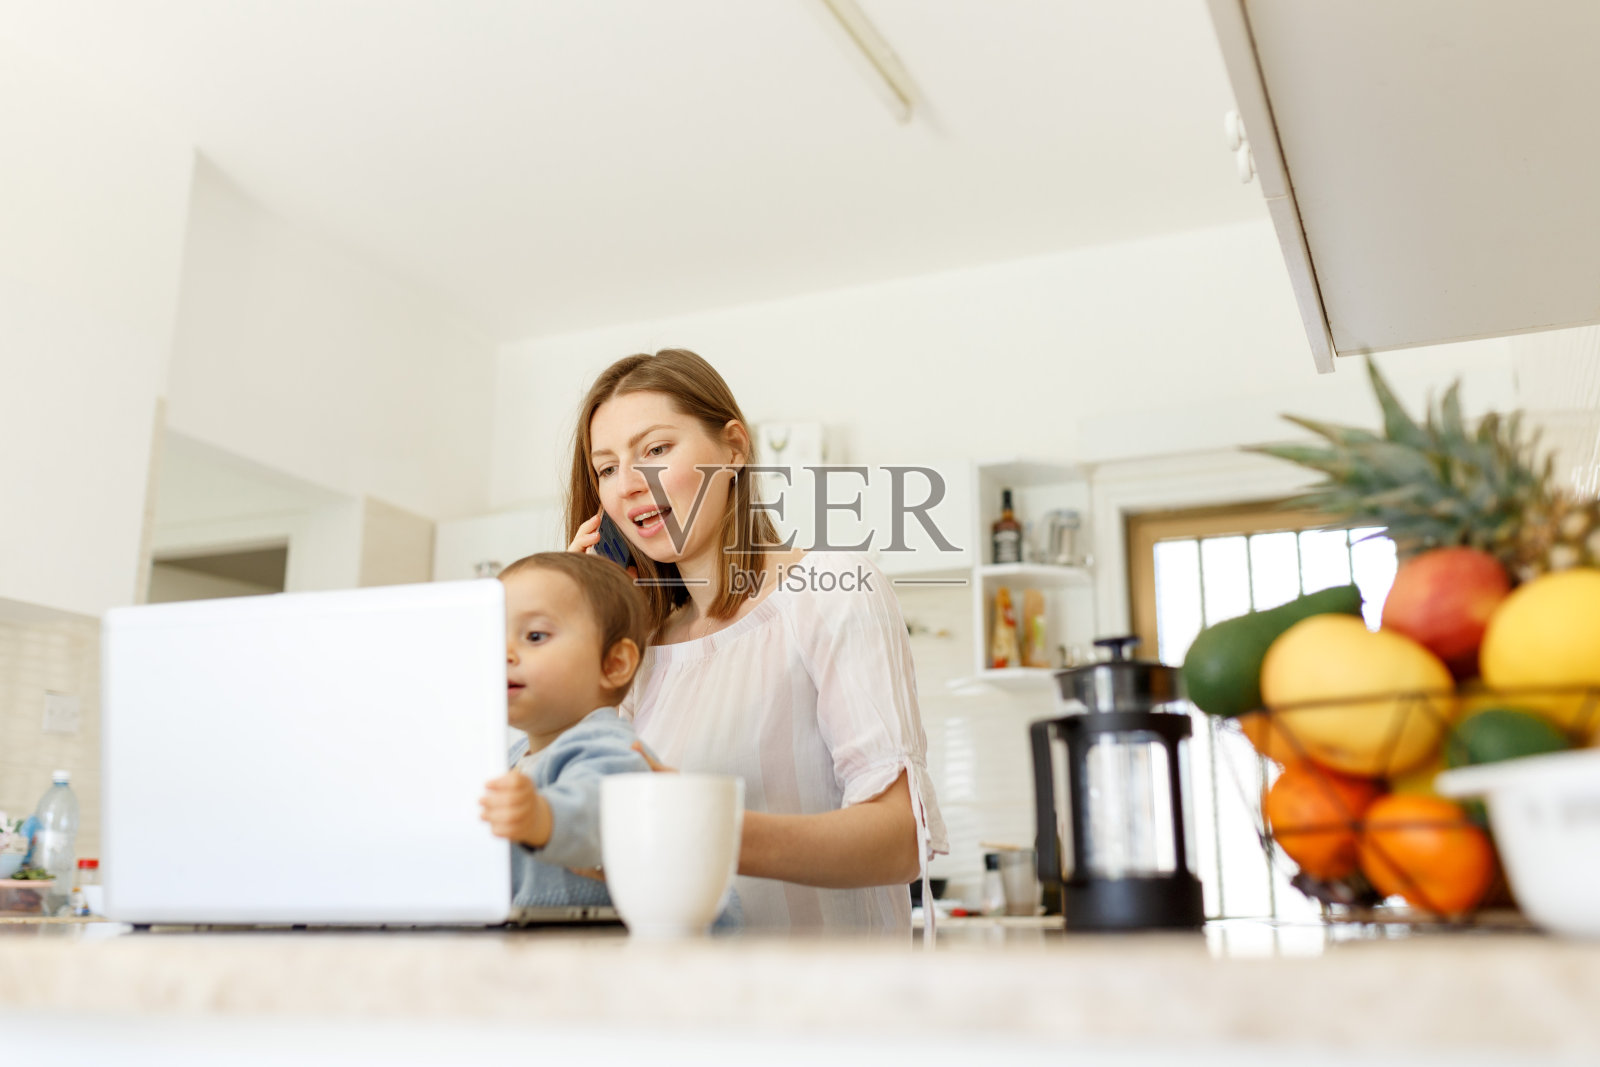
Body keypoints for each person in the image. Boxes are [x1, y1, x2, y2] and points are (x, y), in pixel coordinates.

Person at [565, 348, 948, 932]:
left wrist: (708, 828)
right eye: (607, 468)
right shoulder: (640, 657)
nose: (629, 486)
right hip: (685, 1005)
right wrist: (577, 634)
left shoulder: (828, 590)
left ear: (734, 448)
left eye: (656, 450)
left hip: (826, 1008)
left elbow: (899, 839)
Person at [480, 550, 738, 921]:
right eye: (491, 637)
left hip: (616, 955)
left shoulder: (607, 746)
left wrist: (544, 816)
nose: (504, 653)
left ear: (614, 664)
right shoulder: (511, 758)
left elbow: (604, 813)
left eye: (534, 636)